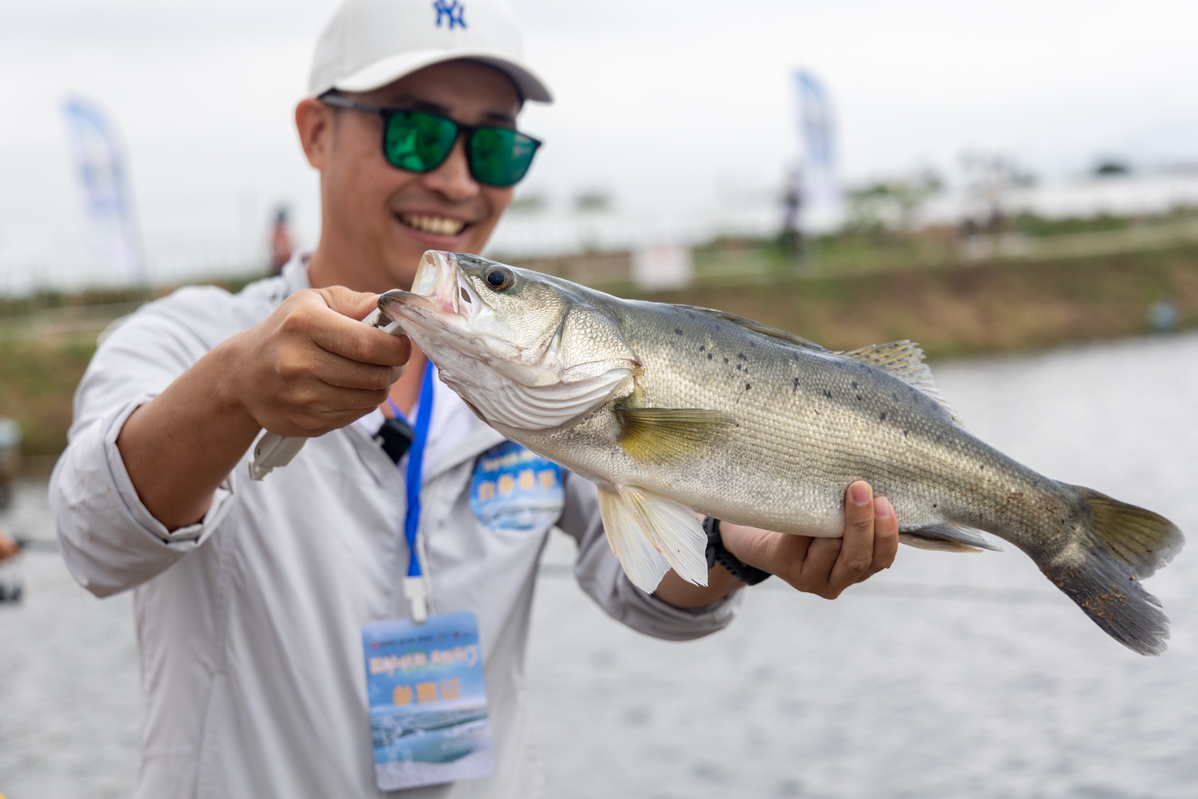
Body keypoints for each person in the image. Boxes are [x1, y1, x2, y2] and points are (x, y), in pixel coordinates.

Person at [49, 1, 899, 796]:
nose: (457, 181)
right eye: (416, 133)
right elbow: (96, 538)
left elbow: (644, 590)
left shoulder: (532, 370)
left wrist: (739, 542)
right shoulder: (183, 339)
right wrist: (232, 392)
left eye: (494, 148)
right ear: (316, 131)